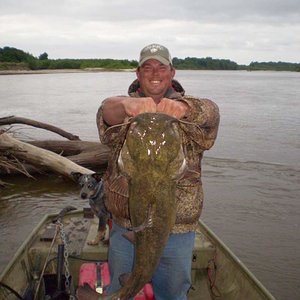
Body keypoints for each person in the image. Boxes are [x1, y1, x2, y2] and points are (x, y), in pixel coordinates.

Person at [77, 43, 220, 300]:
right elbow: (106, 110)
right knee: (121, 290)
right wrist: (126, 106)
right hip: (126, 225)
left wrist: (186, 109)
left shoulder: (191, 111)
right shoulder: (123, 111)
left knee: (173, 295)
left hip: (178, 230)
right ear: (138, 73)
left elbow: (211, 113)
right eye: (147, 67)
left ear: (172, 72)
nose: (155, 73)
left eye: (161, 67)